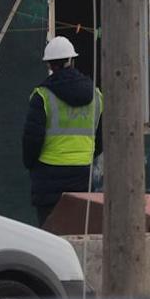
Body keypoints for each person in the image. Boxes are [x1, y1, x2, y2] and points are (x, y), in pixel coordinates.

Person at [22, 36, 103, 228]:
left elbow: (31, 141)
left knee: (50, 237)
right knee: (79, 233)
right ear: (71, 60)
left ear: (49, 64)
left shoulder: (42, 96)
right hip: (83, 174)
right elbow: (100, 140)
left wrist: (31, 165)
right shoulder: (97, 95)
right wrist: (84, 156)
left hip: (49, 178)